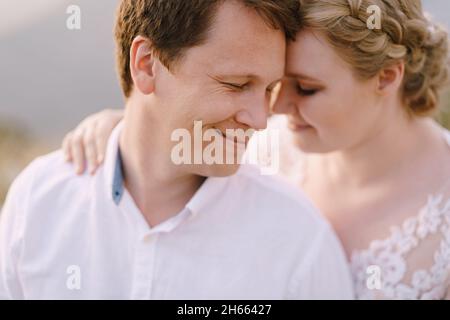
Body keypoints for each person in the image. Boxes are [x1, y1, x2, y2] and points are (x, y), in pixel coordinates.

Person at [64, 0, 450, 299]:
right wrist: (128, 123)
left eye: (307, 88)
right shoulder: (266, 142)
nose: (274, 111)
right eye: (274, 86)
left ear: (386, 76)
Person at [0, 0, 353, 300]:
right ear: (146, 64)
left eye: (268, 89)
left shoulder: (300, 243)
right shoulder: (37, 199)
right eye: (236, 85)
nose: (260, 119)